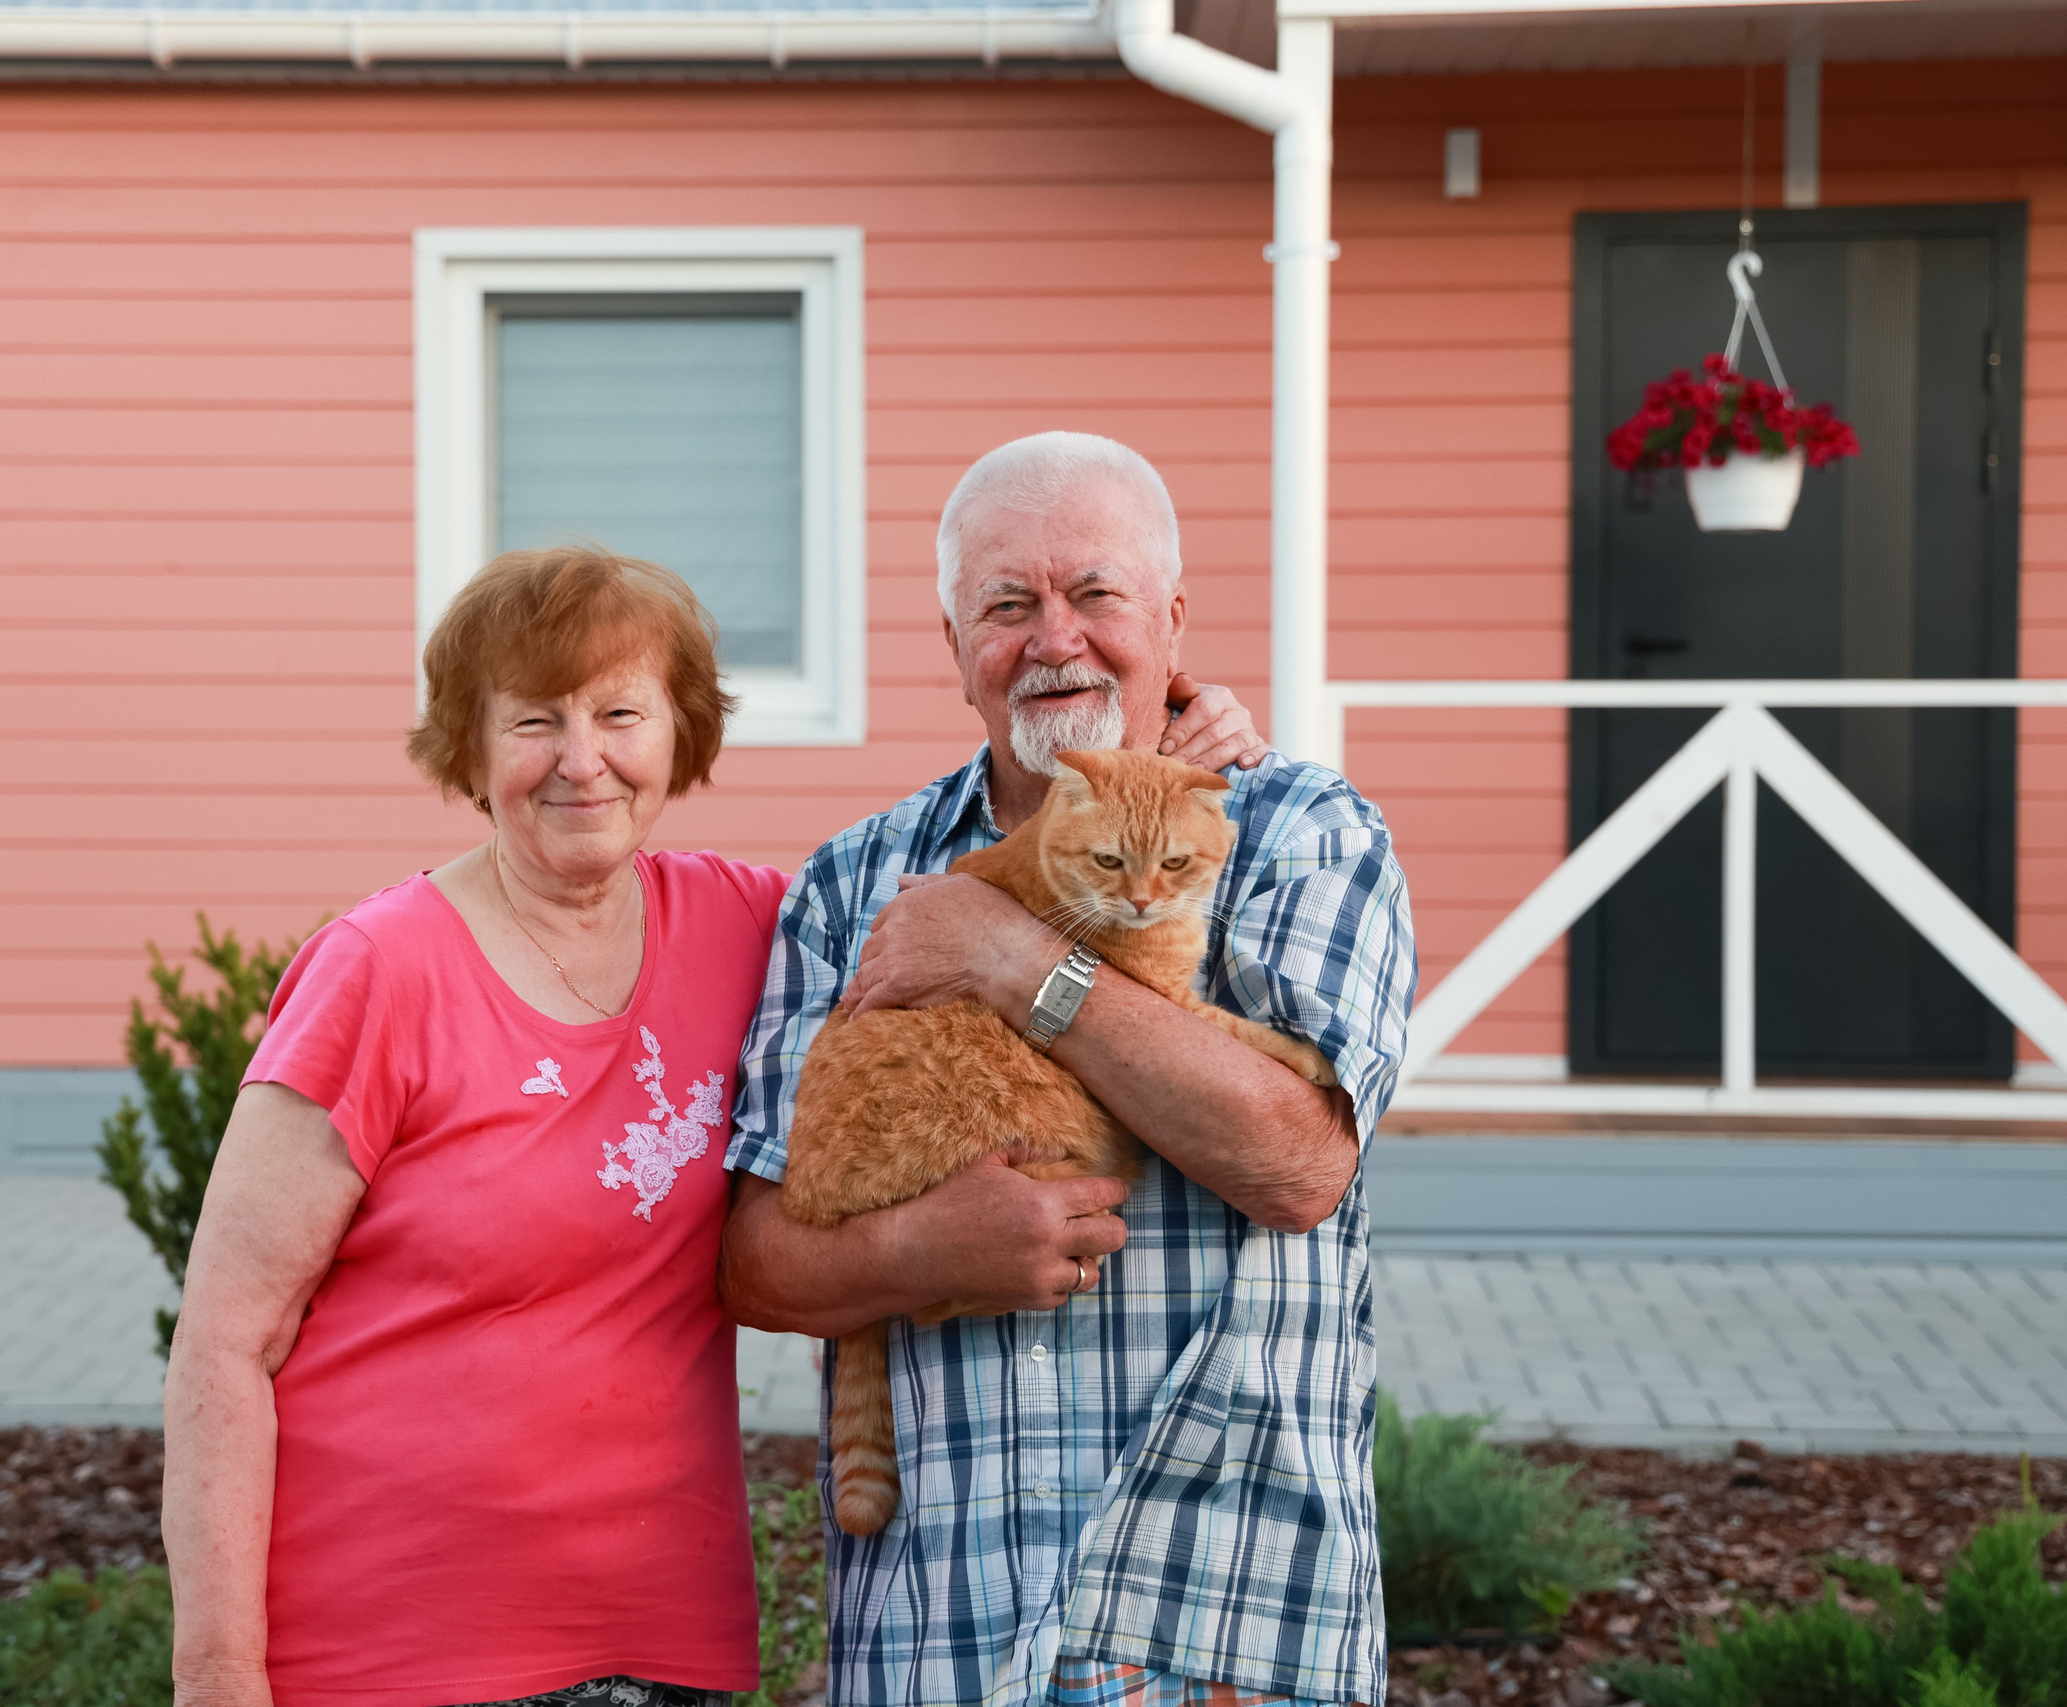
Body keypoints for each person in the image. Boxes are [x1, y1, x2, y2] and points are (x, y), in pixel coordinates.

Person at [161, 544, 1268, 1707]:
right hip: (386, 1654)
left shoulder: (748, 926)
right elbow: (224, 1344)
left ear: (676, 735)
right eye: (534, 721)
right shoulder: (379, 970)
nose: (581, 761)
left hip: (660, 1647)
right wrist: (218, 1675)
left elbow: (1001, 879)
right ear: (469, 749)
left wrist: (1173, 739)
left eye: (620, 713)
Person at [720, 433, 1417, 1707]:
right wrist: (918, 1251)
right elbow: (756, 1259)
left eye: (1094, 594)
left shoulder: (1299, 833)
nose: (1054, 639)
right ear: (954, 646)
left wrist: (1009, 955)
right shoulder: (846, 884)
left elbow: (1297, 1159)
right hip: (943, 1635)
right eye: (1006, 605)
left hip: (1227, 1623)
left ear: (1170, 618)